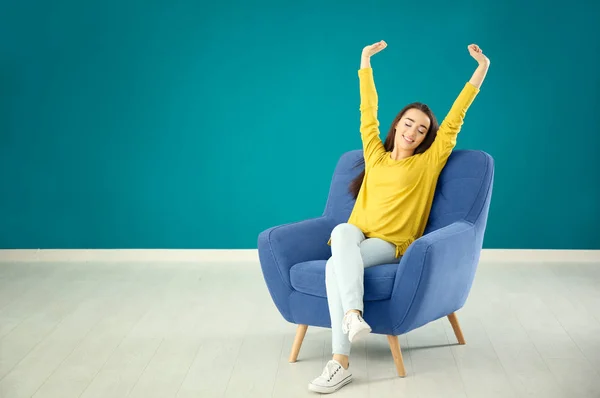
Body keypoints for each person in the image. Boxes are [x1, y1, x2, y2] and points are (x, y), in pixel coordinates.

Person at [308, 41, 490, 394]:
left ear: (426, 138)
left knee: (334, 266)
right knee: (343, 231)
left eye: (421, 130)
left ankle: (339, 362)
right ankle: (352, 318)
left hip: (390, 245)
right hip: (357, 235)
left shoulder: (427, 162)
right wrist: (364, 61)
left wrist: (481, 69)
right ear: (397, 125)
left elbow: (455, 118)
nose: (413, 132)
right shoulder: (374, 154)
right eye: (408, 123)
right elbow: (367, 110)